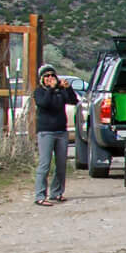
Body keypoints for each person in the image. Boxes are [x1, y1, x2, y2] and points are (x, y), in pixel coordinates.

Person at [30, 64, 80, 207]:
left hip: (61, 131)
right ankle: (40, 195)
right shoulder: (39, 92)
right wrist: (51, 89)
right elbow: (43, 103)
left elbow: (73, 101)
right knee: (45, 164)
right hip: (46, 132)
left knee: (61, 164)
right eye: (47, 77)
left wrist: (67, 88)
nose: (50, 78)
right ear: (42, 79)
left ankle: (56, 192)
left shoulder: (60, 90)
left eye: (52, 76)